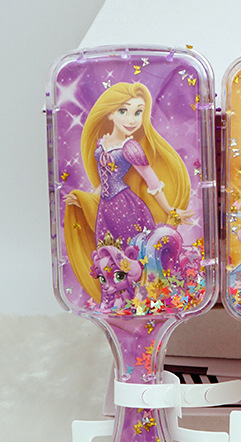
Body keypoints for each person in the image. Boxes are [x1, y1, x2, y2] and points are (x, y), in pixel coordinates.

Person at [64, 82, 192, 301]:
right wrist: (85, 200)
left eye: (138, 112)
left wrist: (169, 209)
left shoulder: (131, 147)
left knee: (129, 256)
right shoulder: (102, 144)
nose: (132, 119)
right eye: (124, 111)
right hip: (105, 211)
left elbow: (152, 181)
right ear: (110, 113)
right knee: (107, 256)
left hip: (127, 209)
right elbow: (104, 181)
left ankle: (141, 299)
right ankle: (117, 300)